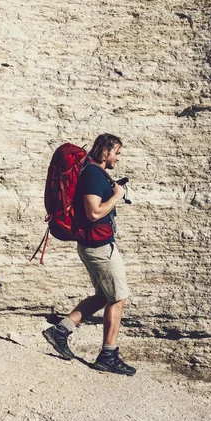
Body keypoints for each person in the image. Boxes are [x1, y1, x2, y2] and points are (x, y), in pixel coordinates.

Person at [43, 133, 136, 376]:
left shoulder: (95, 172)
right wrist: (116, 196)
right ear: (105, 152)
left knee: (104, 296)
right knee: (118, 298)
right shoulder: (94, 174)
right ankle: (108, 355)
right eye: (116, 152)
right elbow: (94, 213)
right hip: (99, 247)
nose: (119, 157)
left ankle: (60, 331)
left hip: (95, 245)